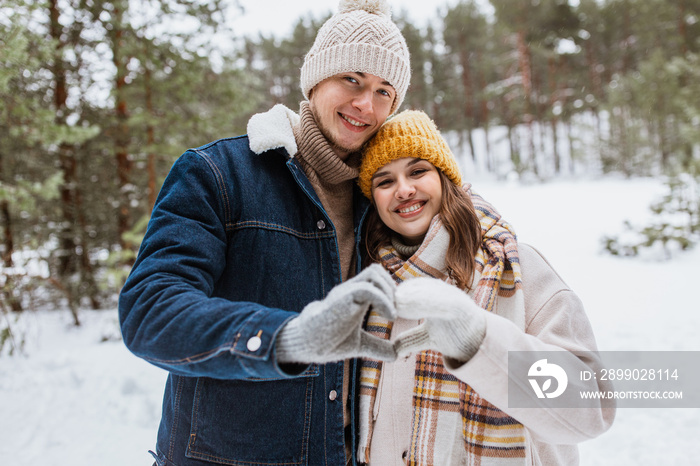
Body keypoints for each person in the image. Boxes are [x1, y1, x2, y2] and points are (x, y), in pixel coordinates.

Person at [118, 1, 410, 465]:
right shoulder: (218, 174)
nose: (365, 105)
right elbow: (150, 312)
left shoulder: (383, 203)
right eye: (351, 80)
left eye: (384, 91)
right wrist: (285, 339)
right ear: (316, 79)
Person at [354, 110, 615, 465]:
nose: (404, 189)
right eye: (384, 181)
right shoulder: (368, 285)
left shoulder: (518, 267)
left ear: (446, 179)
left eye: (418, 171)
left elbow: (590, 409)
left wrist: (478, 340)